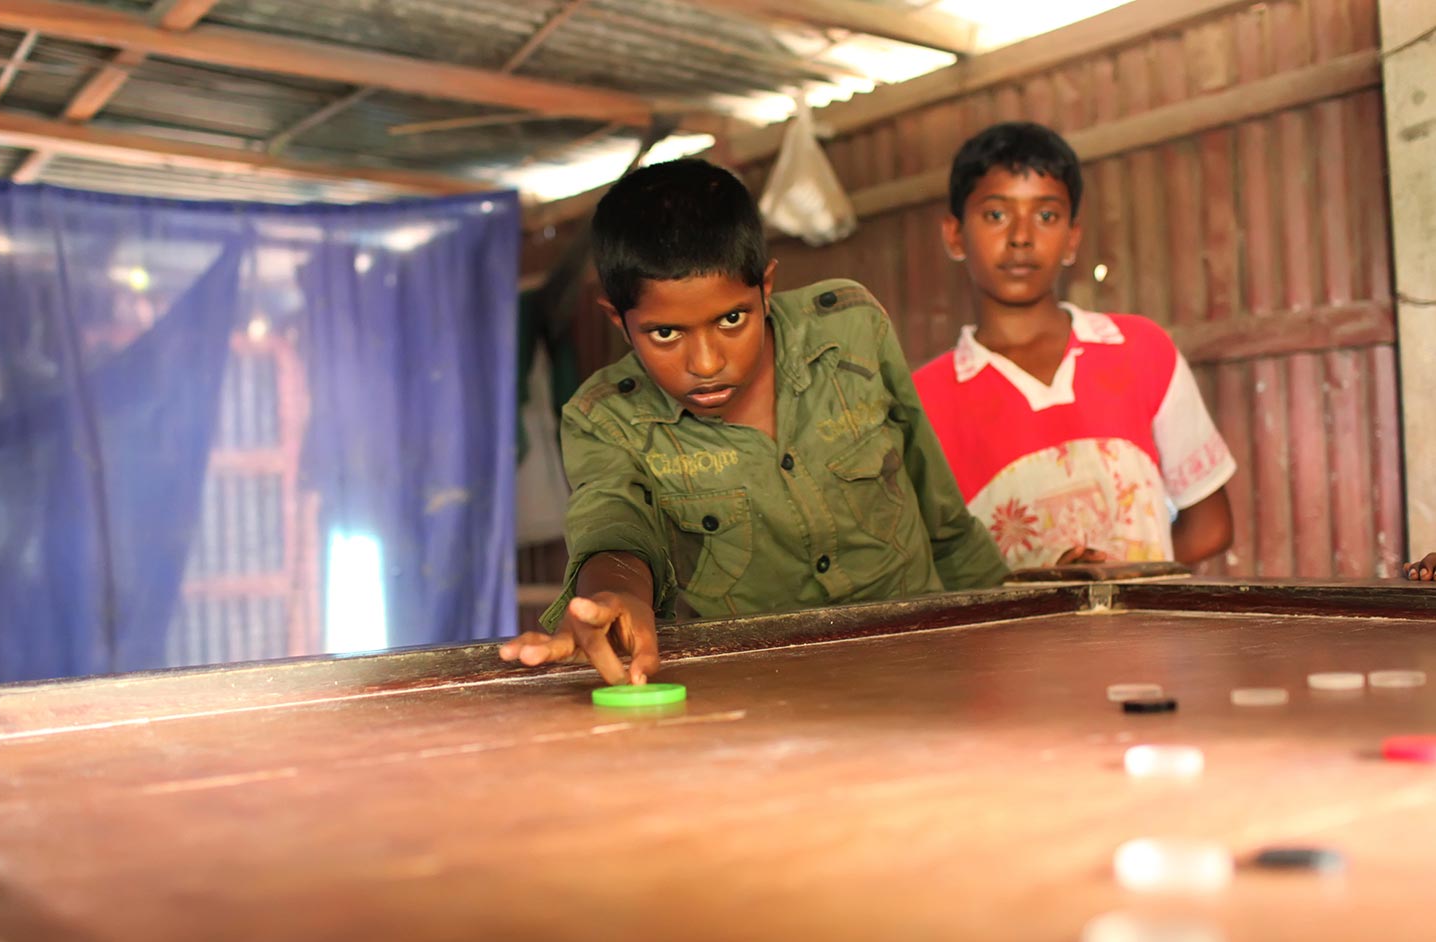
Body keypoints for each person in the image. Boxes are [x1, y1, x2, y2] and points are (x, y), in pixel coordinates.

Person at [499, 159, 1007, 685]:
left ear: (765, 289)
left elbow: (943, 517)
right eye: (666, 334)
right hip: (761, 701)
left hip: (930, 674)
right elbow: (614, 526)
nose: (706, 362)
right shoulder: (605, 417)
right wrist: (618, 596)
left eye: (732, 319)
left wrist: (1008, 636)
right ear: (619, 322)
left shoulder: (850, 331)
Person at [912, 122, 1235, 570]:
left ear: (1072, 239)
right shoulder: (921, 404)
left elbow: (1210, 526)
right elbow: (930, 571)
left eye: (1046, 216)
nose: (1021, 236)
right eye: (995, 215)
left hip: (1148, 639)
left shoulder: (1141, 351)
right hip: (1011, 644)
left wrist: (1119, 584)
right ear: (954, 234)